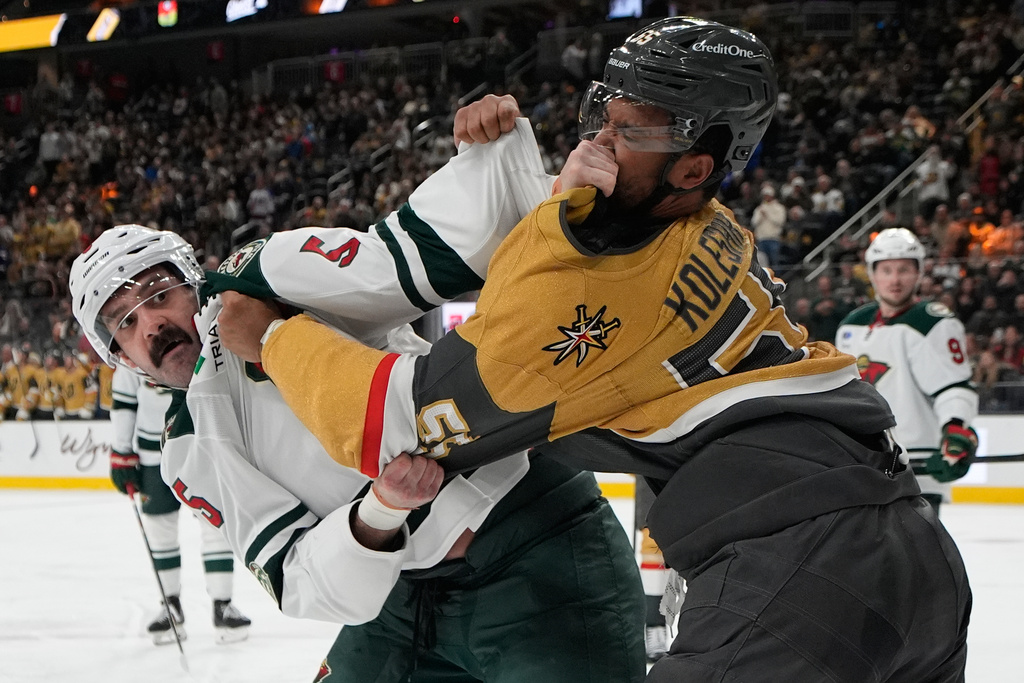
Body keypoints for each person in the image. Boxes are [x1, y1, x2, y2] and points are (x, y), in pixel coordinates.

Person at [220, 18, 972, 682]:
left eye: (628, 131)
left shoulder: (603, 295)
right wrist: (515, 187)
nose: (596, 142)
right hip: (913, 552)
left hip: (805, 571)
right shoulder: (714, 226)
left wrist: (273, 335)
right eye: (602, 116)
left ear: (693, 167)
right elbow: (581, 272)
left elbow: (401, 421)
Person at [69, 117, 645, 683]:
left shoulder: (261, 277)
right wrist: (380, 512)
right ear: (120, 357)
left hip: (538, 548)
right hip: (403, 602)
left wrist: (535, 189)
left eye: (157, 293)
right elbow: (298, 577)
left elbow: (409, 258)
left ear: (191, 280)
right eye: (124, 323)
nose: (151, 325)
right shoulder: (185, 452)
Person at [836, 228, 979, 514]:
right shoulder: (852, 324)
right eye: (886, 270)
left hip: (916, 465)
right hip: (864, 465)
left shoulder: (933, 323)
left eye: (904, 270)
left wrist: (955, 427)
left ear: (919, 272)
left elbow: (953, 387)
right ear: (872, 274)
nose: (895, 280)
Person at [109, 364, 251, 645]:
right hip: (153, 454)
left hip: (200, 446)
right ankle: (170, 605)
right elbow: (124, 397)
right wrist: (121, 450)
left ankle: (222, 604)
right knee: (160, 528)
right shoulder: (130, 350)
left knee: (215, 523)